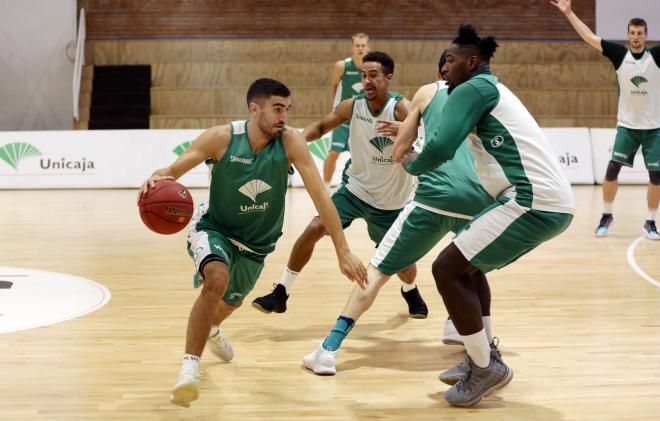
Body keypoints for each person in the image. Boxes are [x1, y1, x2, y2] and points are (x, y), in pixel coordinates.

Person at [138, 78, 368, 408]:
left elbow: (321, 198)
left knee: (231, 303)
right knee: (216, 279)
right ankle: (189, 369)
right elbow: (172, 170)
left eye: (287, 110)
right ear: (254, 108)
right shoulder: (221, 138)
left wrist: (342, 249)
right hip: (215, 228)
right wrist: (156, 178)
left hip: (257, 245)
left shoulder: (291, 142)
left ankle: (212, 326)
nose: (284, 117)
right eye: (277, 109)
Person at [393, 25, 575, 407]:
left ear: (472, 62)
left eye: (450, 59)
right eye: (442, 60)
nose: (443, 68)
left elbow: (440, 145)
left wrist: (411, 162)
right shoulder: (485, 89)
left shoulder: (476, 88)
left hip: (532, 200)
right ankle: (483, 356)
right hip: (539, 199)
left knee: (446, 269)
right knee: (469, 268)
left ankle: (484, 367)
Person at [302, 50, 497, 378]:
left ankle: (327, 351)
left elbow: (401, 154)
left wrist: (405, 143)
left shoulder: (425, 93)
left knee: (377, 272)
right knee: (469, 267)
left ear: (440, 71)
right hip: (476, 197)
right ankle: (480, 344)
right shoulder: (481, 97)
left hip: (435, 196)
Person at [251, 52, 429, 319]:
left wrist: (407, 129)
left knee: (405, 266)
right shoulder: (352, 105)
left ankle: (410, 289)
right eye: (363, 75)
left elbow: (429, 136)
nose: (366, 81)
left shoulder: (402, 107)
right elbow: (321, 126)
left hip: (392, 201)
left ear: (388, 77)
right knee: (314, 227)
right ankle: (281, 293)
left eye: (373, 75)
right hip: (355, 190)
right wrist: (292, 145)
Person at [551, 0, 660, 239]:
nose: (636, 37)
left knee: (656, 176)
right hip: (627, 127)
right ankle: (607, 215)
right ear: (628, 35)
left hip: (654, 129)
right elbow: (589, 37)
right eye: (632, 33)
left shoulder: (656, 57)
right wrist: (568, 12)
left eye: (640, 33)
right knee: (612, 171)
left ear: (646, 35)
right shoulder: (620, 55)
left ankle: (650, 221)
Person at [323, 32, 370, 185]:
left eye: (363, 45)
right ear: (352, 47)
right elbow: (335, 86)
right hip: (343, 118)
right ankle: (325, 187)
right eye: (357, 45)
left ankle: (361, 188)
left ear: (368, 47)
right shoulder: (342, 66)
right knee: (333, 153)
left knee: (363, 157)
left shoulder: (371, 67)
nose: (360, 49)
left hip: (363, 118)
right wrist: (337, 108)